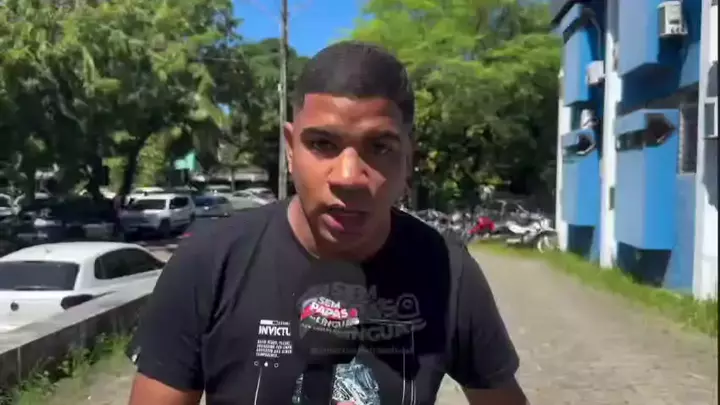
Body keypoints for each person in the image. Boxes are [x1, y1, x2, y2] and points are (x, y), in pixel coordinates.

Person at [127, 41, 527, 405]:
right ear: (290, 150)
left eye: (380, 147)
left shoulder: (449, 272)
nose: (348, 177)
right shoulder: (208, 262)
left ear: (408, 158)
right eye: (322, 144)